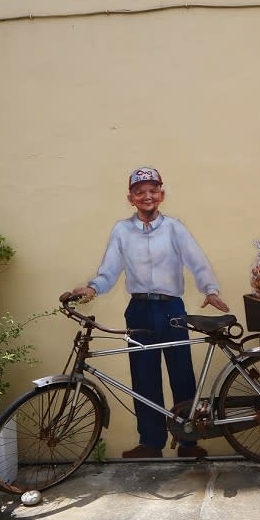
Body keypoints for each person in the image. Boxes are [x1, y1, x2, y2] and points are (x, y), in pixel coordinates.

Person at [69, 166, 229, 459]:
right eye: (140, 192)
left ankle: (188, 441)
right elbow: (109, 270)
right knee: (144, 376)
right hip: (139, 309)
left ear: (162, 194)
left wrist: (211, 290)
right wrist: (91, 288)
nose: (147, 196)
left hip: (172, 309)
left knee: (181, 373)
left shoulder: (174, 228)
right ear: (130, 198)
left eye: (153, 190)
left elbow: (197, 261)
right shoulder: (121, 230)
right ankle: (150, 443)